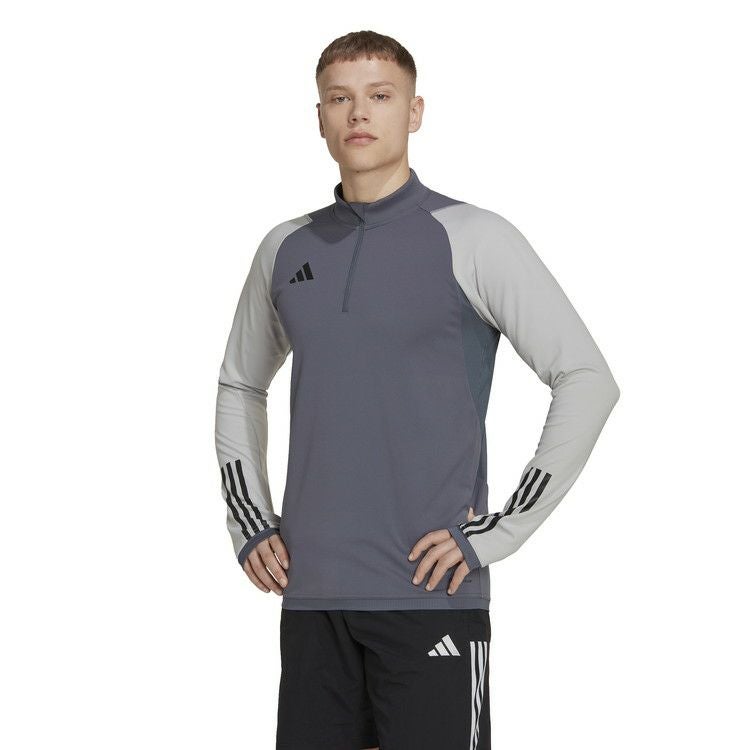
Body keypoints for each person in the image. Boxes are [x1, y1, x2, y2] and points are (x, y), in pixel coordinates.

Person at [214, 29, 619, 750]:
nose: (358, 113)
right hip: (312, 597)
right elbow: (240, 383)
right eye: (339, 98)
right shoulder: (285, 247)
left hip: (433, 594)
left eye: (380, 95)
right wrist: (251, 520)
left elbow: (587, 379)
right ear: (319, 117)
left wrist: (501, 530)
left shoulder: (473, 237)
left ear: (415, 111)